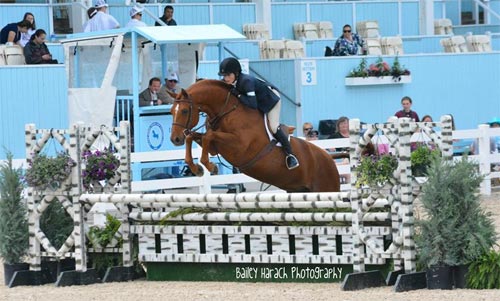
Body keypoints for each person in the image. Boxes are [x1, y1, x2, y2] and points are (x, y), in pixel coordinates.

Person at [218, 57, 299, 169]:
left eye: (228, 75)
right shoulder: (232, 81)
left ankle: (290, 155)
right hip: (258, 100)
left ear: (236, 73)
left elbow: (252, 104)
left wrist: (238, 95)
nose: (225, 78)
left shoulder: (246, 82)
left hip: (271, 100)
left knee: (273, 127)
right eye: (224, 76)